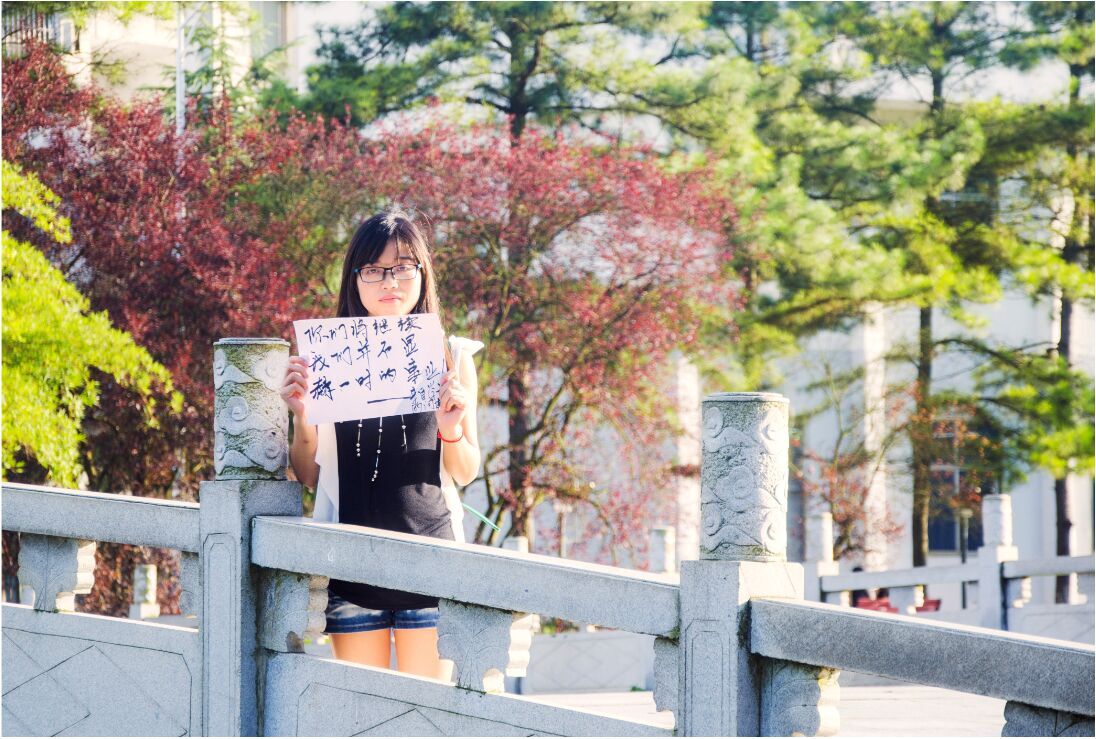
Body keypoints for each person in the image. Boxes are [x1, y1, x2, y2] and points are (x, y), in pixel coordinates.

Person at [280, 209, 482, 678]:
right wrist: (303, 418)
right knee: (361, 710)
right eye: (373, 269)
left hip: (431, 563)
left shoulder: (451, 355)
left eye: (403, 267)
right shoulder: (326, 356)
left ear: (423, 273)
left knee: (424, 711)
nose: (390, 281)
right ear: (354, 279)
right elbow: (309, 476)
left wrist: (450, 426)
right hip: (352, 565)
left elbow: (466, 470)